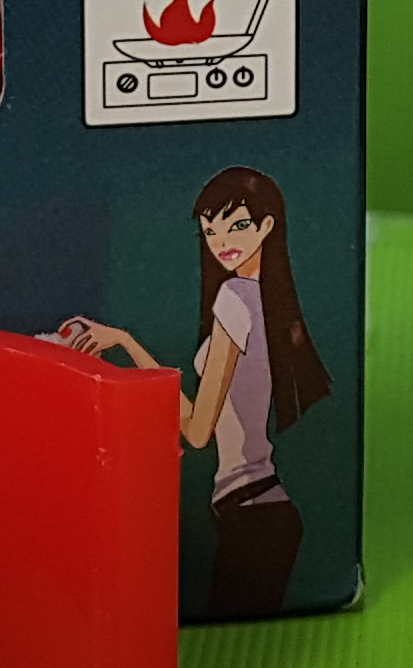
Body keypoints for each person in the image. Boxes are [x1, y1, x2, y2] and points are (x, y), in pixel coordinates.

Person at [59, 168, 333, 614]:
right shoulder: (266, 302)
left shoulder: (236, 298)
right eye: (210, 230)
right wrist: (126, 342)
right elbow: (205, 419)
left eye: (236, 225)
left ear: (266, 225)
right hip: (258, 508)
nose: (222, 240)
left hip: (251, 511)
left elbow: (198, 431)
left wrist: (126, 347)